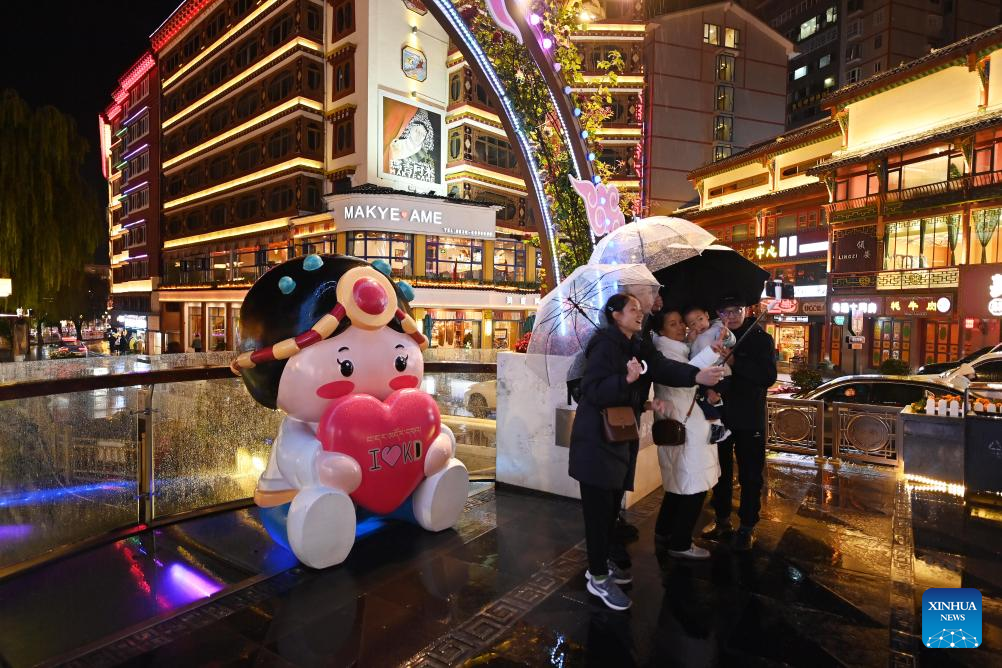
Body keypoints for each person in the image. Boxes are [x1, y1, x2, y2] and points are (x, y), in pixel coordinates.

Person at [570, 293, 725, 611]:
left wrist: (652, 399)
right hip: (596, 443)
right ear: (615, 315)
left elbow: (662, 368)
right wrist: (625, 379)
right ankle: (597, 577)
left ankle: (601, 563)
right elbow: (591, 391)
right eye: (633, 309)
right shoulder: (603, 345)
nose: (640, 313)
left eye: (641, 309)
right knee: (598, 515)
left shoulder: (636, 345)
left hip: (618, 438)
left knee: (609, 512)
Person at [703, 297, 777, 551]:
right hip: (721, 416)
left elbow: (768, 376)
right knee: (720, 472)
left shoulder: (760, 338)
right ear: (718, 313)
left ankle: (747, 525)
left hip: (749, 418)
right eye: (726, 312)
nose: (732, 316)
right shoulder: (714, 336)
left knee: (750, 475)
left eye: (737, 311)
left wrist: (736, 363)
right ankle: (722, 519)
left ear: (746, 310)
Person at [650, 309, 722, 559]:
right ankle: (680, 543)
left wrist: (693, 346)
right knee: (694, 486)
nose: (681, 327)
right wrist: (709, 352)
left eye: (681, 322)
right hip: (686, 426)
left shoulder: (675, 349)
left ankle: (664, 531)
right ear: (661, 331)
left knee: (678, 483)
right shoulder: (665, 353)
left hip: (682, 424)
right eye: (673, 324)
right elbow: (684, 376)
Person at [683, 306, 735, 444]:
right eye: (692, 324)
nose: (698, 325)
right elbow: (689, 354)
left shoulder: (716, 328)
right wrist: (689, 341)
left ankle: (719, 428)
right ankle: (718, 428)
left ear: (707, 315)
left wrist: (726, 335)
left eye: (700, 319)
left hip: (720, 374)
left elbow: (730, 341)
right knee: (705, 400)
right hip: (704, 376)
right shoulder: (694, 337)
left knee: (706, 399)